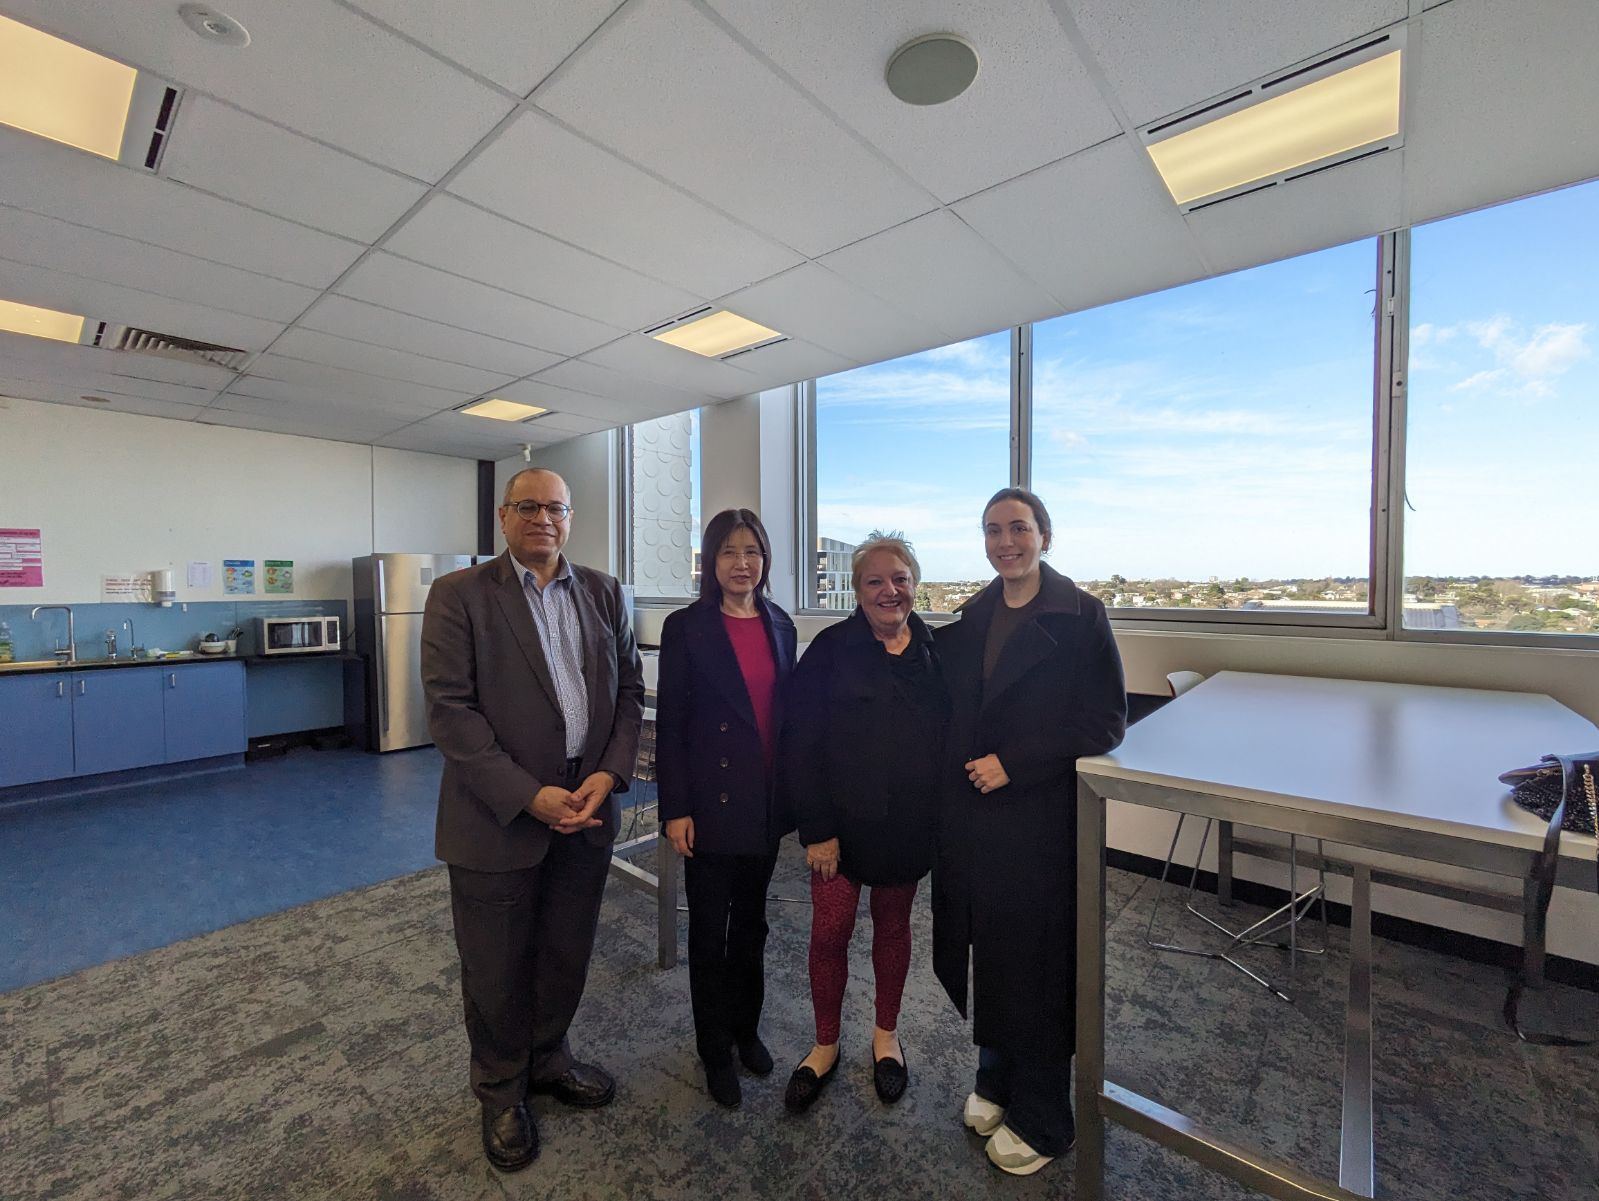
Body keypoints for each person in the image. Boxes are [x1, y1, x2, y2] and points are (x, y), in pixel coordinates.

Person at [420, 468, 645, 1174]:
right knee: (494, 964)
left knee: (562, 949)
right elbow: (451, 713)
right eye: (528, 507)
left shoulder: (605, 592)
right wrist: (529, 794)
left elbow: (630, 690)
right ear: (503, 516)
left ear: (570, 517)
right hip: (499, 817)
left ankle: (548, 1057)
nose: (542, 518)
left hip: (587, 810)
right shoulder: (458, 595)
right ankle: (499, 1089)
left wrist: (607, 776)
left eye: (554, 507)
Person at [932, 487, 1126, 1177]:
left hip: (1040, 818)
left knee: (1039, 965)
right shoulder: (976, 613)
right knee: (994, 952)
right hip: (976, 819)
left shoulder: (1082, 616)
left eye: (1017, 527)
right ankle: (997, 1077)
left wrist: (1015, 763)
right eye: (991, 529)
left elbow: (1105, 722)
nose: (1003, 541)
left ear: (1045, 534)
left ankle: (1045, 1115)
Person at [781, 536, 948, 1113]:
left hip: (906, 827)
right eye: (875, 581)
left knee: (893, 930)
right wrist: (817, 829)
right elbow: (800, 745)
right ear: (856, 591)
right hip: (840, 830)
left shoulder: (933, 650)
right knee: (829, 935)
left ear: (914, 583)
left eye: (899, 578)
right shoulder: (829, 649)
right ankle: (824, 1044)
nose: (889, 590)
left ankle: (886, 1037)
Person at [656, 508, 797, 1109]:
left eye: (753, 552)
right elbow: (672, 727)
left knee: (754, 926)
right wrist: (675, 808)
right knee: (711, 933)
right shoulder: (687, 627)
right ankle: (713, 1046)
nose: (743, 564)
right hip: (709, 808)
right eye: (729, 553)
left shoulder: (781, 623)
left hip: (763, 803)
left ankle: (746, 1029)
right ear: (710, 562)